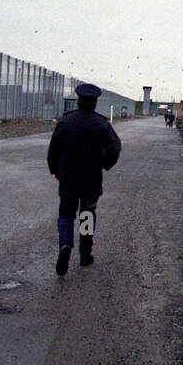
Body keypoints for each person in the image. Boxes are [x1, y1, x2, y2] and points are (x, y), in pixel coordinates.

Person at [46, 83, 121, 276]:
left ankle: (65, 245)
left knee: (66, 214)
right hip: (91, 180)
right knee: (87, 215)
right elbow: (114, 149)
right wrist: (104, 164)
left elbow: (53, 150)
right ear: (95, 104)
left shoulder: (65, 122)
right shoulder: (102, 124)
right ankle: (85, 254)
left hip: (68, 179)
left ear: (78, 101)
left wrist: (56, 170)